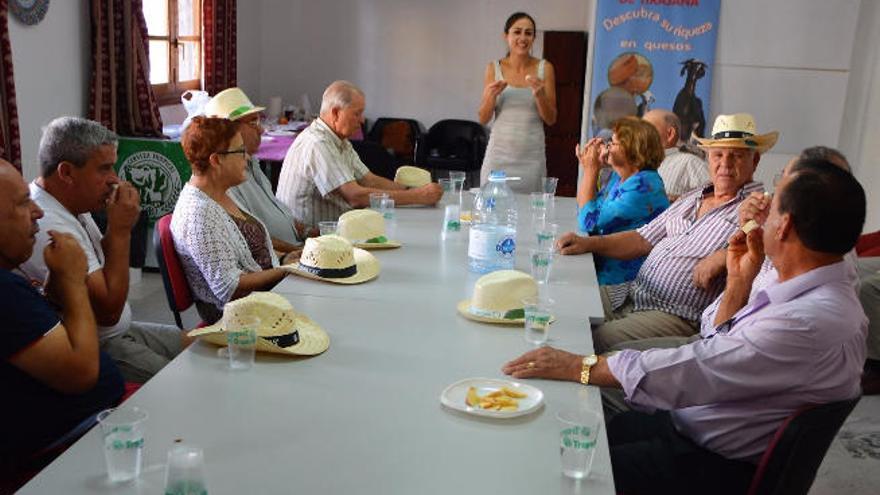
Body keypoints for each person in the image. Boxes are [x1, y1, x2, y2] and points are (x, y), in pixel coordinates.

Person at [504, 159, 866, 495]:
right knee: (591, 426)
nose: (763, 212)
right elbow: (716, 338)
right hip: (694, 428)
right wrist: (739, 282)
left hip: (711, 465)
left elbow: (699, 367)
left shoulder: (805, 321)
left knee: (561, 465)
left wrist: (580, 366)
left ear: (784, 225)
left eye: (772, 207)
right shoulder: (814, 287)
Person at [557, 113, 777, 352]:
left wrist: (723, 255)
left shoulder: (758, 207)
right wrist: (587, 243)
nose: (725, 163)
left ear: (754, 161)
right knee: (564, 306)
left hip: (675, 313)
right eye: (718, 155)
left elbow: (766, 244)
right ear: (708, 158)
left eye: (736, 156)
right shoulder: (697, 194)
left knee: (590, 342)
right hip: (631, 293)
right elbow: (642, 238)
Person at [19, 117, 186, 383]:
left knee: (202, 345)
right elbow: (109, 312)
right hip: (100, 346)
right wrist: (120, 230)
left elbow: (106, 264)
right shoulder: (48, 222)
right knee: (186, 381)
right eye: (104, 169)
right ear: (67, 173)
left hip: (122, 332)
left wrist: (118, 226)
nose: (114, 180)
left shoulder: (72, 203)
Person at [0, 160, 123, 467]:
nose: (37, 212)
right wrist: (72, 280)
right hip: (60, 449)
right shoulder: (4, 291)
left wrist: (56, 285)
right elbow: (81, 374)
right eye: (22, 203)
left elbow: (38, 331)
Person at [172, 117, 294, 324]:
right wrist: (285, 271)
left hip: (266, 297)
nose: (246, 158)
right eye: (240, 151)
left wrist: (285, 259)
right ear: (216, 160)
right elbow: (229, 287)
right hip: (240, 317)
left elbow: (250, 251)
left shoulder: (219, 193)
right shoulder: (198, 214)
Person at [275, 81, 442, 229]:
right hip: (309, 238)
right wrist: (417, 196)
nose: (362, 120)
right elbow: (355, 196)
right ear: (335, 113)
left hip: (334, 230)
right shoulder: (317, 143)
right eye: (357, 113)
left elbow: (369, 179)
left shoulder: (338, 139)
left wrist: (415, 190)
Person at [204, 87, 306, 253]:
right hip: (277, 261)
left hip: (294, 249)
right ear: (229, 130)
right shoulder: (226, 177)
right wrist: (296, 252)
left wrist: (310, 234)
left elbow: (276, 211)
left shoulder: (252, 162)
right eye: (253, 122)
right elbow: (249, 238)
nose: (261, 129)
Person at [575, 117, 669, 289]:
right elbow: (586, 207)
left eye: (613, 142)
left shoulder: (643, 186)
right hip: (601, 266)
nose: (607, 146)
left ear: (632, 150)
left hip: (622, 283)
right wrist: (593, 170)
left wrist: (590, 169)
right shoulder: (621, 177)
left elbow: (588, 221)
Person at [478, 12, 557, 194]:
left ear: (534, 38)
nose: (523, 38)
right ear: (506, 36)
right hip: (498, 156)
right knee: (491, 214)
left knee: (530, 217)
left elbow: (551, 119)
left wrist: (539, 95)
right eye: (517, 32)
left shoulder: (545, 68)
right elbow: (483, 118)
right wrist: (491, 96)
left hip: (531, 158)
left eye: (528, 33)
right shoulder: (493, 68)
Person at [642, 109, 709, 201]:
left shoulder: (690, 163)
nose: (638, 135)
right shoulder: (635, 164)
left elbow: (717, 199)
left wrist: (678, 201)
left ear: (670, 134)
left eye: (646, 129)